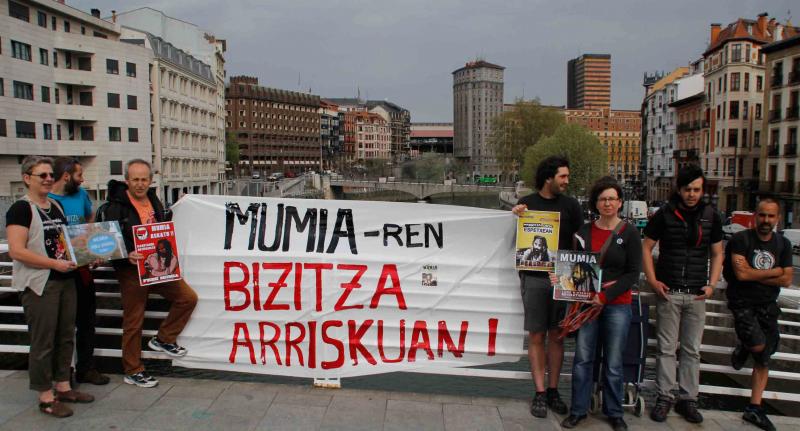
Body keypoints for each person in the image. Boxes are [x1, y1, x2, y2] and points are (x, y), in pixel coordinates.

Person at [6, 156, 93, 418]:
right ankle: (45, 396)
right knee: (43, 342)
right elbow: (16, 251)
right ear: (26, 178)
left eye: (49, 174)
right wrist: (53, 264)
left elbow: (68, 242)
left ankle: (64, 385)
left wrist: (90, 254)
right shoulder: (21, 209)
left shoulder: (55, 205)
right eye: (41, 174)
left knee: (66, 336)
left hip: (66, 281)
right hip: (40, 283)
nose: (47, 179)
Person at [101, 158, 198, 388]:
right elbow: (105, 241)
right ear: (127, 180)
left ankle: (164, 338)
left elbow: (162, 227)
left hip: (158, 266)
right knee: (134, 321)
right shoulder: (115, 206)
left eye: (144, 179)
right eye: (135, 179)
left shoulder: (154, 199)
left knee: (187, 298)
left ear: (151, 181)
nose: (140, 184)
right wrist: (127, 255)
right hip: (131, 271)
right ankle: (133, 370)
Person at [642, 164, 723, 424]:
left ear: (702, 190)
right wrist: (654, 281)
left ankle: (688, 400)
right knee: (666, 349)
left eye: (697, 190)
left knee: (691, 350)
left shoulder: (711, 215)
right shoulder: (665, 214)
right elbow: (646, 247)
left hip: (697, 293)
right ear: (679, 189)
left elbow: (717, 252)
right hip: (670, 291)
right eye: (688, 189)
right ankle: (664, 397)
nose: (692, 194)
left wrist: (711, 284)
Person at [560, 177, 642, 431]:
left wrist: (604, 297)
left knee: (614, 361)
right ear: (596, 203)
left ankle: (615, 412)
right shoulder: (583, 232)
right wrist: (561, 278)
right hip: (587, 305)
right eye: (602, 199)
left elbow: (632, 273)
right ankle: (578, 410)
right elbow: (575, 268)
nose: (607, 203)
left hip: (617, 304)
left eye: (612, 199)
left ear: (619, 203)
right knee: (583, 358)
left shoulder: (629, 233)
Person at [511, 156, 583, 418]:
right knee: (536, 335)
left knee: (557, 336)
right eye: (563, 176)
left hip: (563, 277)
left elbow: (581, 242)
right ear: (548, 178)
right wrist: (515, 217)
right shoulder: (526, 203)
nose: (567, 181)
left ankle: (553, 390)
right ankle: (539, 392)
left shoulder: (572, 205)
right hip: (534, 278)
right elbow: (515, 240)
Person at [724, 198, 792, 431]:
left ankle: (754, 407)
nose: (766, 220)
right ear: (755, 216)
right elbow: (741, 275)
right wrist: (775, 271)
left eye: (770, 216)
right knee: (759, 346)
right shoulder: (740, 240)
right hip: (742, 302)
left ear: (777, 218)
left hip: (768, 306)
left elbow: (788, 279)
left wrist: (757, 273)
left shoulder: (783, 244)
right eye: (762, 215)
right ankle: (745, 346)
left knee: (765, 357)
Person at [49, 157, 110, 386]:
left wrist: (92, 251)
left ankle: (86, 368)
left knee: (86, 321)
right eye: (79, 175)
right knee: (62, 326)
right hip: (57, 272)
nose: (82, 179)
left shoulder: (81, 195)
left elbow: (90, 219)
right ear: (66, 176)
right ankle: (62, 375)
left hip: (82, 270)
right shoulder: (47, 201)